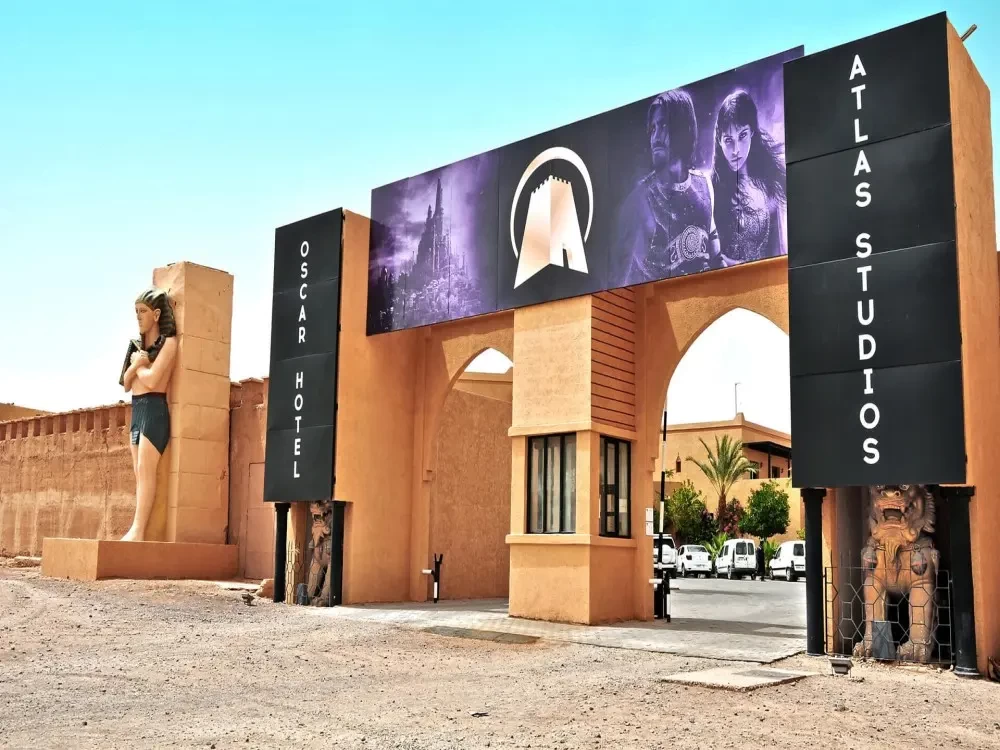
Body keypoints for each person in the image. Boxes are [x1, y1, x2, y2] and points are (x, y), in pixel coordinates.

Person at [612, 89, 721, 286]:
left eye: (663, 125)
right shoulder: (641, 199)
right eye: (652, 129)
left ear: (682, 127)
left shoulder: (704, 184)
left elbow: (715, 253)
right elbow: (625, 281)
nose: (655, 137)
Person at [120, 287, 178, 541]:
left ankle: (138, 530)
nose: (138, 317)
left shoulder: (169, 343)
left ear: (156, 314)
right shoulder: (134, 346)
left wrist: (139, 367)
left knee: (145, 468)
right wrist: (135, 365)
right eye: (136, 312)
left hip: (154, 409)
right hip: (137, 409)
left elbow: (154, 381)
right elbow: (125, 384)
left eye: (142, 311)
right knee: (137, 472)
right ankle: (137, 528)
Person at [711, 89, 788, 266]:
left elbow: (778, 250)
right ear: (719, 140)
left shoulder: (771, 182)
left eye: (742, 135)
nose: (736, 149)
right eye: (728, 140)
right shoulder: (710, 189)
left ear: (752, 132)